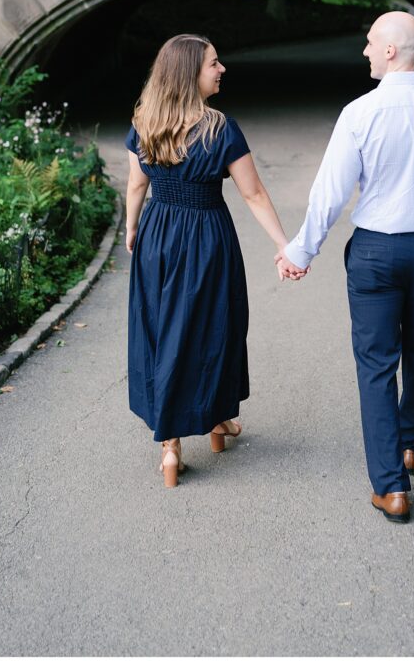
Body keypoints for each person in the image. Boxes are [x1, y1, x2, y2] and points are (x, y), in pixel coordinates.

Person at [276, 12, 414, 523]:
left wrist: (300, 251)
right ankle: (409, 445)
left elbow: (331, 193)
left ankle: (391, 487)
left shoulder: (360, 113)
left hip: (377, 253)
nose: (364, 51)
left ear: (393, 52)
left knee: (377, 364)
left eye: (371, 43)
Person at [125, 34, 297, 487]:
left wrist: (131, 229)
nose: (222, 70)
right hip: (206, 236)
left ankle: (172, 446)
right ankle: (215, 419)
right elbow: (253, 193)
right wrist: (284, 244)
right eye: (213, 64)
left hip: (157, 233)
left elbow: (136, 187)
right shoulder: (221, 129)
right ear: (189, 74)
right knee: (214, 328)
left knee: (162, 329)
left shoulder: (145, 122)